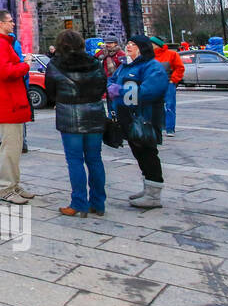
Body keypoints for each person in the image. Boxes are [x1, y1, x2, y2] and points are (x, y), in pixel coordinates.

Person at [45, 30, 108, 217]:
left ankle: (79, 202)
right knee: (95, 159)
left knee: (75, 161)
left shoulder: (55, 65)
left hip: (70, 116)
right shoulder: (95, 63)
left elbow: (50, 92)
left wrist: (64, 98)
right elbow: (102, 86)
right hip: (94, 114)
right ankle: (98, 203)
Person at [111, 36, 170, 208]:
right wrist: (111, 87)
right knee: (139, 152)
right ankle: (148, 187)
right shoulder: (126, 65)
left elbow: (149, 91)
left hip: (145, 117)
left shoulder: (153, 67)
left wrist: (120, 91)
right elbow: (113, 79)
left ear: (142, 48)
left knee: (148, 153)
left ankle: (153, 195)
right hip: (128, 116)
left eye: (133, 44)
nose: (128, 46)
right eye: (128, 43)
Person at [0, 8, 34, 204]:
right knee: (10, 146)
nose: (13, 24)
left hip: (13, 99)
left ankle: (13, 184)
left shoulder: (4, 42)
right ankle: (5, 188)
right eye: (10, 21)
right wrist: (26, 65)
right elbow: (5, 71)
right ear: (1, 24)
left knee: (16, 146)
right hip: (7, 101)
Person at [150, 37, 185, 136]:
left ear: (156, 44)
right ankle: (160, 126)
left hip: (168, 84)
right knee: (156, 106)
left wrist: (173, 80)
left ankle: (170, 128)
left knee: (169, 105)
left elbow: (180, 68)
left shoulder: (172, 54)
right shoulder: (149, 56)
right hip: (154, 84)